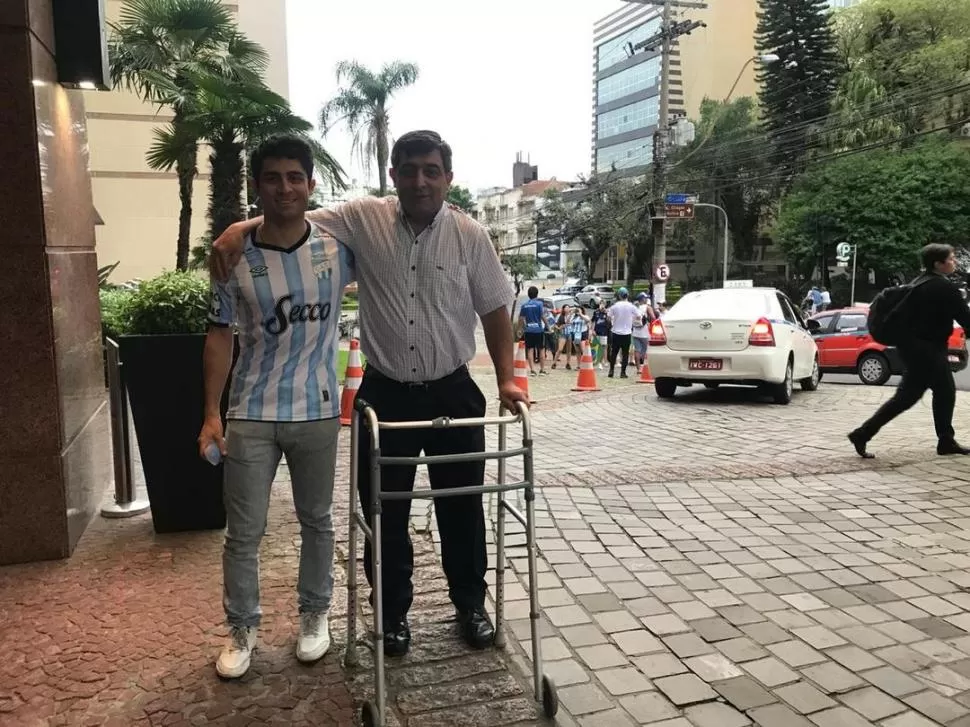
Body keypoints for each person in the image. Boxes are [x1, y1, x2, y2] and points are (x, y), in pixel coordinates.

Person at [210, 130, 526, 657]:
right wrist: (237, 229)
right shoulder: (362, 218)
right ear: (393, 176)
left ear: (448, 177)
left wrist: (507, 379)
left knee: (463, 506)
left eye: (430, 170)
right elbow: (289, 212)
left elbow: (495, 309)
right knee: (384, 510)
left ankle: (470, 602)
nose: (419, 180)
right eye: (408, 170)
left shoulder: (471, 235)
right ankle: (391, 614)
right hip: (385, 395)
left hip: (453, 391)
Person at [198, 135, 355, 679]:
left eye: (295, 177)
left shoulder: (340, 249)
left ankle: (315, 617)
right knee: (244, 531)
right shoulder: (231, 256)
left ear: (312, 185)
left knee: (318, 520)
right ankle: (241, 630)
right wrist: (212, 413)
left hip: (316, 411)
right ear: (256, 185)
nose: (285, 187)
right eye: (273, 177)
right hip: (250, 412)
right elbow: (219, 336)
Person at [849, 243, 970, 459]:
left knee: (915, 395)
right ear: (938, 264)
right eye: (951, 259)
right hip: (929, 350)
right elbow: (965, 318)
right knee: (937, 392)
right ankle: (945, 440)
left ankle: (864, 433)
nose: (954, 262)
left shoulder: (918, 283)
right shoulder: (943, 287)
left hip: (912, 348)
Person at [607, 288, 638, 378]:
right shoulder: (631, 306)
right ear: (627, 295)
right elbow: (639, 316)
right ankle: (623, 373)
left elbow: (608, 318)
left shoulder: (614, 306)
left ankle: (611, 371)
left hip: (616, 332)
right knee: (625, 354)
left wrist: (614, 321)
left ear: (619, 296)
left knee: (614, 352)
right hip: (627, 332)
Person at [518, 286, 549, 375]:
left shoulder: (524, 305)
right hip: (538, 330)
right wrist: (548, 327)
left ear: (528, 295)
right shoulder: (539, 304)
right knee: (541, 349)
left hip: (528, 330)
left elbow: (521, 318)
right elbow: (542, 316)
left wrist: (520, 329)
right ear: (537, 294)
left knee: (530, 350)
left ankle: (532, 370)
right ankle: (542, 370)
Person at [631, 292, 655, 373]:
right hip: (644, 332)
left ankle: (638, 369)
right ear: (643, 299)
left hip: (635, 332)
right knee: (645, 350)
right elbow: (653, 317)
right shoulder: (647, 307)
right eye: (646, 298)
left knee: (637, 350)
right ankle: (645, 367)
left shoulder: (634, 308)